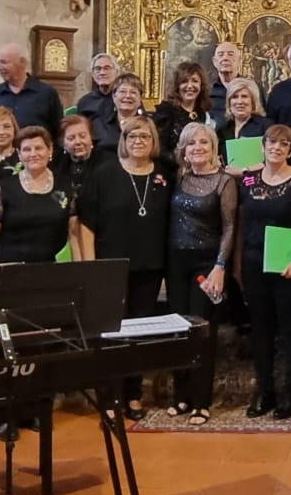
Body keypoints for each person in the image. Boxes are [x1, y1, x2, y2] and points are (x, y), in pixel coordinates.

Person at [78, 115, 172, 420]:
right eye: (132, 136)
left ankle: (132, 394)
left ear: (153, 141)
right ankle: (109, 396)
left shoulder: (164, 174)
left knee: (139, 331)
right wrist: (90, 266)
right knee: (111, 332)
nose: (138, 141)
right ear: (124, 140)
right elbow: (86, 223)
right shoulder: (105, 173)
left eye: (144, 136)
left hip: (149, 266)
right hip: (110, 265)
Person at [238, 124, 291, 420]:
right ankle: (264, 391)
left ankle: (290, 392)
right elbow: (240, 221)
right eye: (271, 142)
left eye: (283, 144)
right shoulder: (249, 180)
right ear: (263, 146)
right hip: (254, 263)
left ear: (290, 150)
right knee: (261, 330)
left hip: (287, 268)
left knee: (290, 329)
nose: (276, 148)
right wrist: (237, 265)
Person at [163, 123, 236, 424]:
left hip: (207, 264)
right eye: (191, 143)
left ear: (213, 147)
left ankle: (200, 401)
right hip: (176, 263)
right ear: (184, 149)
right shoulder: (179, 178)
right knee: (178, 330)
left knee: (202, 331)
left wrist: (220, 266)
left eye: (204, 142)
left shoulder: (224, 181)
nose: (198, 148)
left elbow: (229, 227)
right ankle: (180, 396)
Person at [0, 126, 75, 265]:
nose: (33, 154)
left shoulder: (64, 186)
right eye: (27, 149)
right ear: (19, 154)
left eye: (38, 148)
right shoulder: (4, 188)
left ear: (50, 150)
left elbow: (74, 233)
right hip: (11, 271)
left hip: (54, 269)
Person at [0, 42, 64, 141]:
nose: (0, 68)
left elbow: (59, 130)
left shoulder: (46, 93)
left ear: (23, 62)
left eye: (4, 62)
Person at [154, 61, 213, 160]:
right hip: (170, 167)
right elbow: (158, 148)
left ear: (201, 86)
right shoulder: (165, 111)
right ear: (177, 86)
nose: (189, 86)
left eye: (195, 81)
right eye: (184, 81)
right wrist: (183, 162)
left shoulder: (203, 114)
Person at [52, 113, 111, 202]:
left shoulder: (108, 162)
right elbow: (54, 196)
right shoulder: (56, 163)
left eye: (83, 136)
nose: (78, 142)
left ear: (91, 136)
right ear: (62, 143)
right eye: (71, 138)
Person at [216, 76, 270, 164]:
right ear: (229, 102)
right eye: (235, 97)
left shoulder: (266, 126)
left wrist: (245, 170)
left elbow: (271, 159)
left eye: (244, 96)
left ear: (253, 101)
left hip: (256, 173)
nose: (239, 101)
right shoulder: (222, 129)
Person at [93, 73, 150, 152]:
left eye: (133, 92)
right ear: (114, 96)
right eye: (122, 91)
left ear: (140, 98)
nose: (127, 96)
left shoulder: (149, 125)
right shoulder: (98, 124)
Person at [77, 53, 121, 123]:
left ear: (117, 72)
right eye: (98, 69)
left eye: (107, 68)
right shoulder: (85, 101)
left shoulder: (125, 98)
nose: (102, 72)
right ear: (93, 75)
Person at [209, 41, 243, 129]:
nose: (225, 58)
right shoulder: (207, 90)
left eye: (230, 54)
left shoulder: (252, 88)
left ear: (239, 60)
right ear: (214, 61)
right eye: (220, 55)